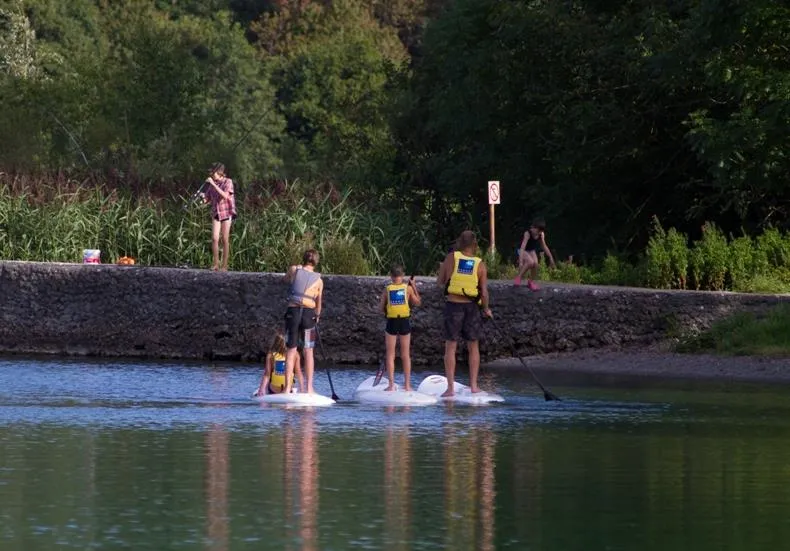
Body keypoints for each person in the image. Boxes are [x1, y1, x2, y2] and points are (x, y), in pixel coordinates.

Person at [436, 230, 492, 397]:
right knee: (473, 346)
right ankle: (474, 386)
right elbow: (484, 292)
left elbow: (440, 283)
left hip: (454, 306)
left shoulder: (451, 258)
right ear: (474, 246)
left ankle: (450, 389)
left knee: (450, 347)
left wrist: (443, 271)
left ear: (460, 243)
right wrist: (486, 309)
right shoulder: (480, 264)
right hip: (472, 309)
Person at [282, 249, 323, 394]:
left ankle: (287, 388)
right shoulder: (319, 280)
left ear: (304, 259)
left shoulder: (294, 270)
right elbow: (319, 304)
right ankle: (309, 388)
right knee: (309, 351)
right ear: (315, 262)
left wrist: (295, 269)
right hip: (309, 315)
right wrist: (317, 316)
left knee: (291, 350)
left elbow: (285, 280)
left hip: (293, 313)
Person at [378, 264, 421, 391]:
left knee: (390, 355)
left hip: (391, 322)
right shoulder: (408, 289)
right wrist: (413, 286)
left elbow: (380, 308)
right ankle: (407, 385)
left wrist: (386, 309)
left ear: (391, 276)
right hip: (404, 322)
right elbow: (418, 302)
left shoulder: (387, 289)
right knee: (405, 355)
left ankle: (391, 386)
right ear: (402, 276)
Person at [202, 162, 236, 271]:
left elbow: (225, 195)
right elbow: (207, 200)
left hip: (226, 212)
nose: (212, 174)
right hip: (216, 213)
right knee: (214, 238)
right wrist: (202, 199)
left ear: (220, 172)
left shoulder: (228, 182)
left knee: (225, 239)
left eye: (213, 172)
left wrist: (213, 184)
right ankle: (216, 264)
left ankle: (224, 266)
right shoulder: (213, 184)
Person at [253, 331, 305, 396]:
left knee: (270, 378)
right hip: (289, 390)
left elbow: (267, 375)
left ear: (276, 343)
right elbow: (299, 374)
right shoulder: (295, 354)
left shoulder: (271, 355)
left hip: (274, 390)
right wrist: (302, 390)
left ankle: (265, 388)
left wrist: (261, 389)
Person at [514, 218, 555, 291]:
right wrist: (520, 262)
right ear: (533, 227)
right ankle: (519, 277)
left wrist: (550, 257)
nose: (538, 233)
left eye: (540, 231)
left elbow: (544, 246)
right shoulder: (528, 233)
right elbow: (523, 247)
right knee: (530, 262)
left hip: (531, 250)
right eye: (537, 230)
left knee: (535, 264)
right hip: (521, 250)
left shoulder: (541, 234)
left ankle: (531, 281)